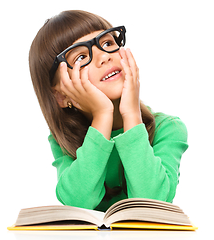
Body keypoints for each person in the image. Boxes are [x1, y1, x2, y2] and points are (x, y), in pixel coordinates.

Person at [29, 10, 188, 212]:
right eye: (80, 57)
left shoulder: (169, 128)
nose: (104, 56)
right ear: (62, 95)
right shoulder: (64, 140)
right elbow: (76, 202)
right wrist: (102, 115)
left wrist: (131, 114)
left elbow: (153, 203)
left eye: (107, 43)